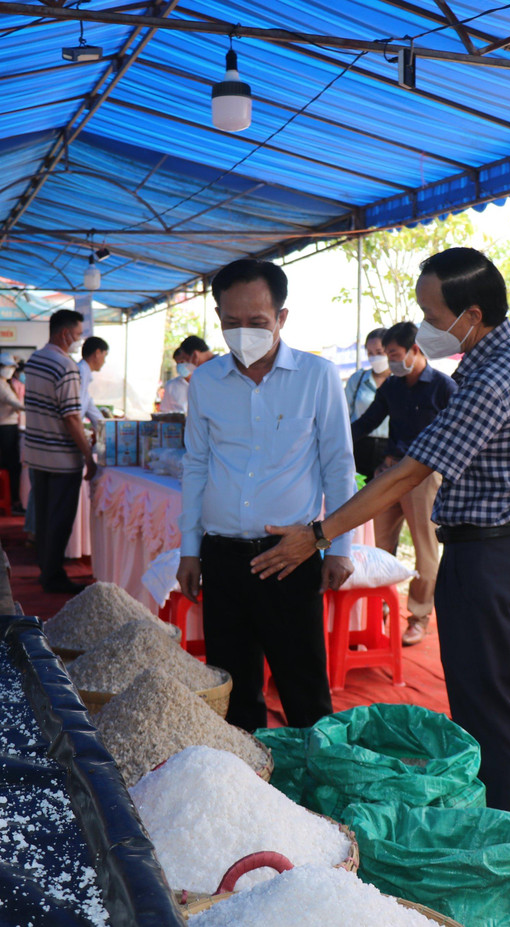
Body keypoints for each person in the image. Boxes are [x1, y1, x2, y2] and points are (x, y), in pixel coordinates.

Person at [252, 247, 510, 817]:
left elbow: (412, 471)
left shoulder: (495, 372)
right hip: (497, 547)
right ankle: (493, 813)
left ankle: (509, 826)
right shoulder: (500, 354)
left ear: (473, 312)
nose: (427, 330)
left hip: (489, 555)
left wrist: (318, 534)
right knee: (483, 697)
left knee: (487, 704)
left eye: (434, 319)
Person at [176, 258, 356, 733]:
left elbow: (339, 464)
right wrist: (190, 551)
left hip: (291, 556)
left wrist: (339, 547)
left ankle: (317, 797)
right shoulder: (206, 381)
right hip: (222, 557)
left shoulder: (317, 377)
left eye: (257, 322)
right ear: (217, 318)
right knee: (234, 695)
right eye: (231, 323)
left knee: (305, 692)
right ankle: (246, 790)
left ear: (282, 318)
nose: (243, 332)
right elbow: (195, 465)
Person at [349, 321, 456, 645]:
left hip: (425, 476)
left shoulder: (443, 386)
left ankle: (418, 617)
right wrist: (330, 440)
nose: (391, 362)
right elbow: (365, 423)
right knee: (374, 547)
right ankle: (375, 613)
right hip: (391, 471)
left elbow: (454, 437)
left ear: (415, 350)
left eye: (394, 355)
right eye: (388, 355)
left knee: (426, 549)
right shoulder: (392, 386)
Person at [24, 309, 98, 594]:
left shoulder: (35, 359)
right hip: (60, 457)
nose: (79, 341)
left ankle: (47, 569)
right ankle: (53, 576)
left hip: (37, 454)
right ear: (65, 333)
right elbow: (71, 417)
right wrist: (87, 457)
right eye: (78, 335)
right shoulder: (65, 366)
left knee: (44, 517)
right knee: (59, 519)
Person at [345, 328, 391, 481]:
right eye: (370, 353)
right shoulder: (358, 380)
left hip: (389, 451)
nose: (374, 358)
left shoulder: (399, 382)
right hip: (359, 446)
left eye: (379, 352)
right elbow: (344, 414)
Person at [0, 352, 26, 515]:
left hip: (7, 427)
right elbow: (14, 403)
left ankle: (6, 500)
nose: (10, 370)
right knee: (13, 466)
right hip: (4, 428)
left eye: (11, 367)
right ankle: (13, 502)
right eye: (8, 367)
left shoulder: (4, 383)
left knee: (9, 465)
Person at [79, 336, 109, 430]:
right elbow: (72, 414)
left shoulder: (84, 373)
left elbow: (91, 409)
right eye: (105, 355)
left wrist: (108, 430)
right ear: (97, 353)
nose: (104, 361)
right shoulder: (80, 372)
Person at [159, 346, 192, 414]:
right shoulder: (171, 385)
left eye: (182, 361)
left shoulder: (203, 383)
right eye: (177, 363)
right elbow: (165, 411)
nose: (180, 365)